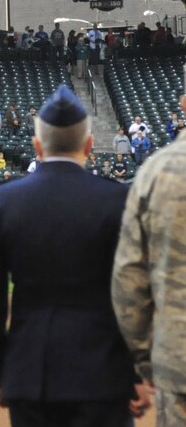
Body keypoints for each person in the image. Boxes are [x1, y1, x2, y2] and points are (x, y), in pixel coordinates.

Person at [0, 85, 151, 426]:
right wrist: (139, 371)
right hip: (104, 373)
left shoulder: (2, 202)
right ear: (89, 145)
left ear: (38, 146)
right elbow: (136, 291)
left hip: (30, 371)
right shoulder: (118, 200)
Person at [112, 71, 186, 425]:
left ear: (184, 106)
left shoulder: (156, 170)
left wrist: (142, 362)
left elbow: (129, 280)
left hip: (180, 361)